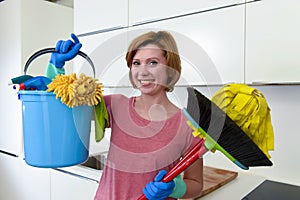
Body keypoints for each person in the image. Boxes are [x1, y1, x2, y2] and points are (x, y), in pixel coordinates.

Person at [48, 31, 204, 200]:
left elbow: (196, 184)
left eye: (153, 62)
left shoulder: (187, 126)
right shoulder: (117, 105)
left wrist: (175, 188)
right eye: (136, 63)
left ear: (170, 70)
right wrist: (56, 67)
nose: (143, 72)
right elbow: (63, 109)